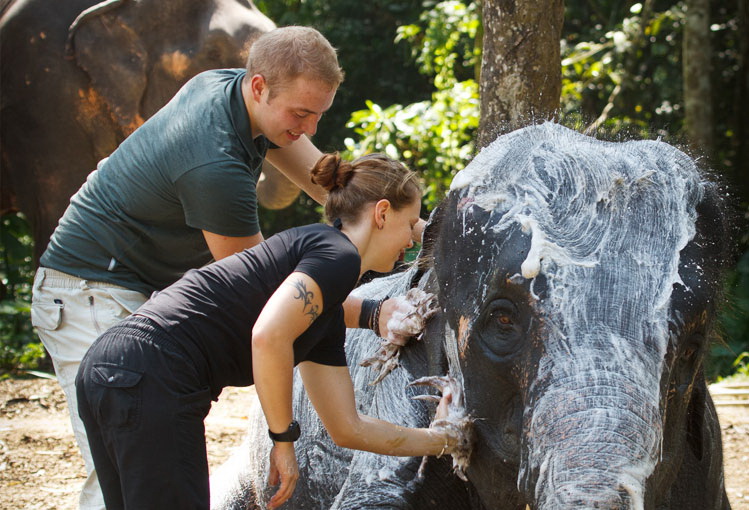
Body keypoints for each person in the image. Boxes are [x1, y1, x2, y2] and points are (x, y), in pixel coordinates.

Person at [32, 26, 420, 510]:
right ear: (259, 86)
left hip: (139, 311)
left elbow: (342, 190)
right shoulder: (215, 166)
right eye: (301, 114)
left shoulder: (235, 93)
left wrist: (418, 227)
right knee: (128, 474)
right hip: (93, 288)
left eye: (319, 114)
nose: (310, 130)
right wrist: (373, 312)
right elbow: (266, 298)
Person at [75, 152, 459, 510]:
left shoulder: (321, 307)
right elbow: (268, 335)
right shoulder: (337, 254)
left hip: (114, 367)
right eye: (410, 224)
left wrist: (443, 439)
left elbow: (348, 429)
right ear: (381, 213)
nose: (411, 241)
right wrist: (282, 440)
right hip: (151, 371)